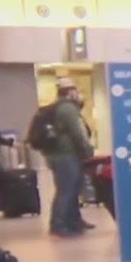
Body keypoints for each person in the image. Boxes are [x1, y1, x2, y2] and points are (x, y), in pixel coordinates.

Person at [45, 79, 95, 237]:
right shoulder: (67, 108)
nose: (78, 93)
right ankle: (58, 225)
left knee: (72, 190)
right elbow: (77, 133)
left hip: (61, 155)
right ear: (69, 92)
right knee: (66, 190)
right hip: (66, 156)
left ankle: (74, 220)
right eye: (75, 90)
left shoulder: (62, 107)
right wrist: (88, 151)